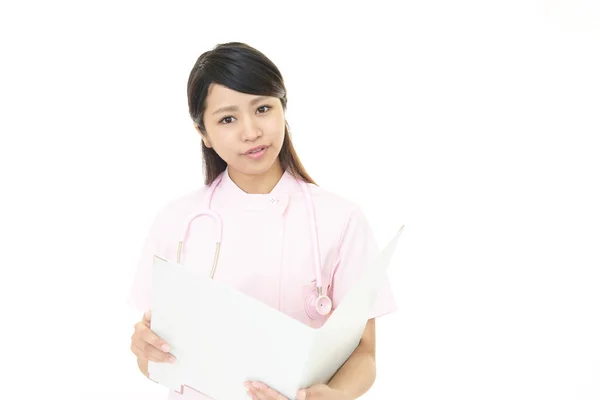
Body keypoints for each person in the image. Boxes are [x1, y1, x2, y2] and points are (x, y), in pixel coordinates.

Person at [128, 42, 397, 400]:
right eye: (228, 119)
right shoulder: (177, 221)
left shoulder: (340, 219)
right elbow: (156, 360)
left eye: (263, 108)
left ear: (283, 109)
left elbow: (363, 354)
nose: (251, 131)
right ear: (203, 134)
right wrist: (145, 353)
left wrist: (333, 396)